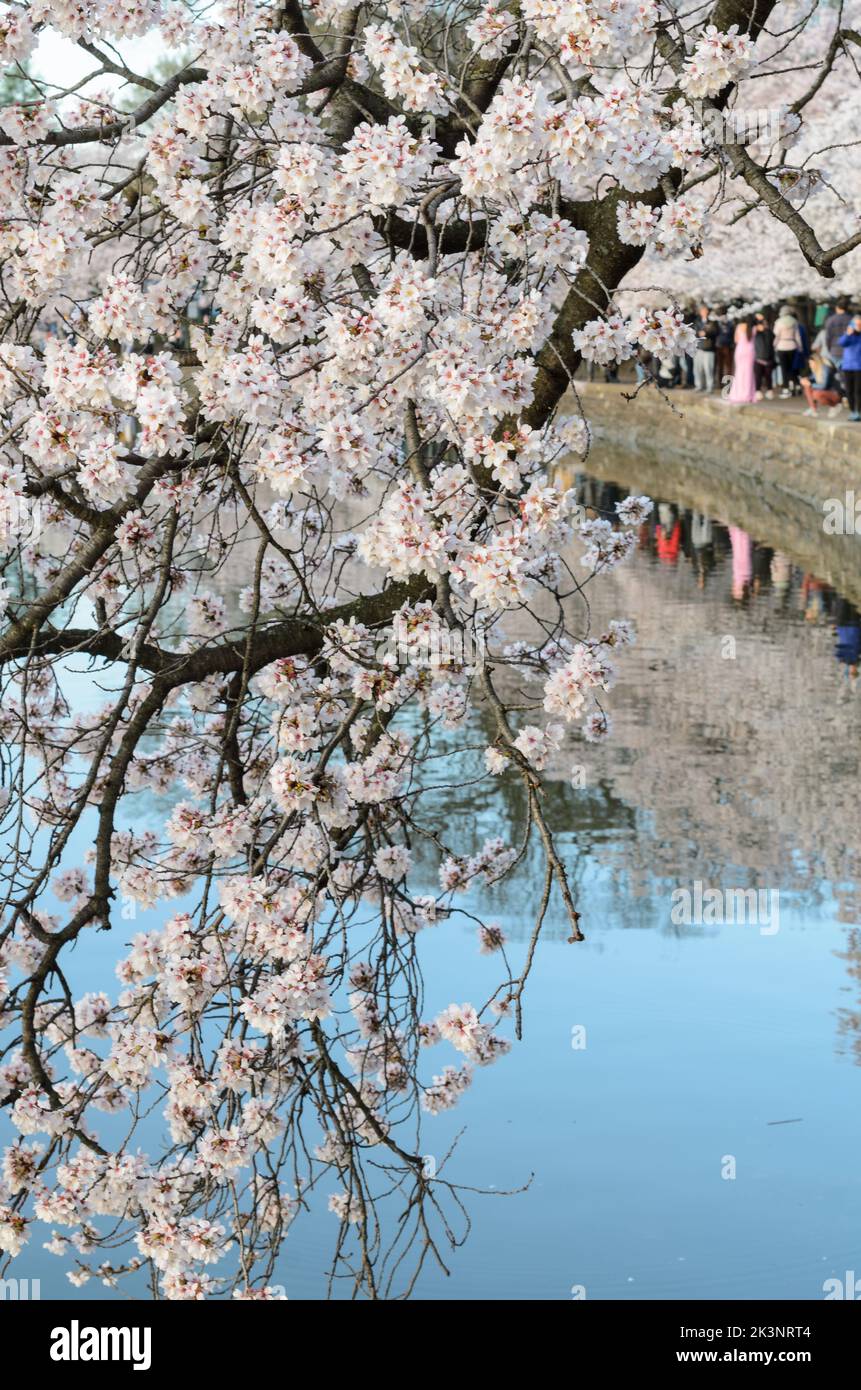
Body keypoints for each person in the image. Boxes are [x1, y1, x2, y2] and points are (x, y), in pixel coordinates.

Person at [800, 351, 843, 417]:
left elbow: (824, 386)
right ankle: (813, 409)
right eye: (809, 363)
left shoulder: (825, 369)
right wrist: (805, 379)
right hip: (827, 392)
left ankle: (835, 405)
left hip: (835, 393)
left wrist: (810, 384)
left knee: (816, 394)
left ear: (816, 362)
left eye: (811, 363)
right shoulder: (817, 369)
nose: (810, 365)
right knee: (807, 387)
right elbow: (811, 379)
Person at [773, 304, 803, 396]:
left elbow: (776, 335)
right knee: (792, 368)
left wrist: (774, 346)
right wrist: (800, 347)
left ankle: (786, 387)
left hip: (781, 346)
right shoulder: (794, 322)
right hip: (792, 345)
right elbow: (797, 336)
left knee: (784, 368)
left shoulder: (778, 322)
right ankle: (795, 385)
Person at [727, 315, 757, 403]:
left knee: (739, 373)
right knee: (749, 373)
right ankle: (747, 394)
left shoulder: (739, 326)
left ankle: (738, 393)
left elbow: (736, 340)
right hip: (750, 351)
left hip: (740, 350)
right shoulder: (754, 328)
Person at [838, 314, 861, 420]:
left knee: (858, 390)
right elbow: (841, 343)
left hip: (859, 366)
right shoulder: (848, 335)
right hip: (848, 366)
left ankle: (859, 412)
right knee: (849, 390)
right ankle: (852, 411)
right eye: (856, 324)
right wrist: (848, 334)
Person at [825, 300, 853, 377]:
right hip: (848, 352)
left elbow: (828, 337)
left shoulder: (830, 320)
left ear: (837, 308)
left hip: (834, 351)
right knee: (848, 376)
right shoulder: (851, 319)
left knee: (838, 375)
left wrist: (829, 349)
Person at [692, 303, 717, 391]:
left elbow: (715, 332)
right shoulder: (697, 321)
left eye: (706, 310)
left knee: (708, 369)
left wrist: (706, 333)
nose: (704, 312)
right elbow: (694, 331)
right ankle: (698, 385)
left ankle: (710, 386)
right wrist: (700, 333)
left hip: (709, 348)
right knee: (697, 369)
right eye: (702, 311)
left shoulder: (713, 321)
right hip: (698, 348)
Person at [752, 313, 774, 398]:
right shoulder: (755, 334)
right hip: (758, 358)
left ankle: (769, 390)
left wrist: (765, 327)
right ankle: (757, 391)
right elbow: (751, 324)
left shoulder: (769, 333)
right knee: (758, 376)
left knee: (768, 376)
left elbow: (771, 341)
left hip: (768, 358)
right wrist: (757, 318)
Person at [715, 307, 735, 386]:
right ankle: (720, 383)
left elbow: (732, 333)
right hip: (720, 345)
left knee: (728, 366)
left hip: (727, 346)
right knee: (721, 365)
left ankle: (728, 382)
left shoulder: (730, 322)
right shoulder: (717, 322)